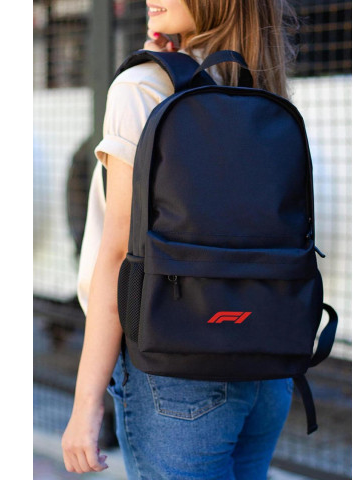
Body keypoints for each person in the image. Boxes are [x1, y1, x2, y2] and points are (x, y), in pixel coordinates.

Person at [62, 1, 299, 478]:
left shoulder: (140, 87)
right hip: (268, 364)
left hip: (176, 371)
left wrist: (86, 405)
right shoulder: (262, 83)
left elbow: (118, 256)